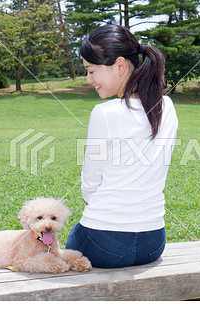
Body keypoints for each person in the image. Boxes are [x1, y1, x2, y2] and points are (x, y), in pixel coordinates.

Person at [65, 24, 178, 268]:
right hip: (153, 243)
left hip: (102, 244)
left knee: (67, 239)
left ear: (119, 65)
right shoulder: (166, 107)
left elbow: (89, 185)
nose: (88, 80)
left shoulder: (104, 113)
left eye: (91, 71)